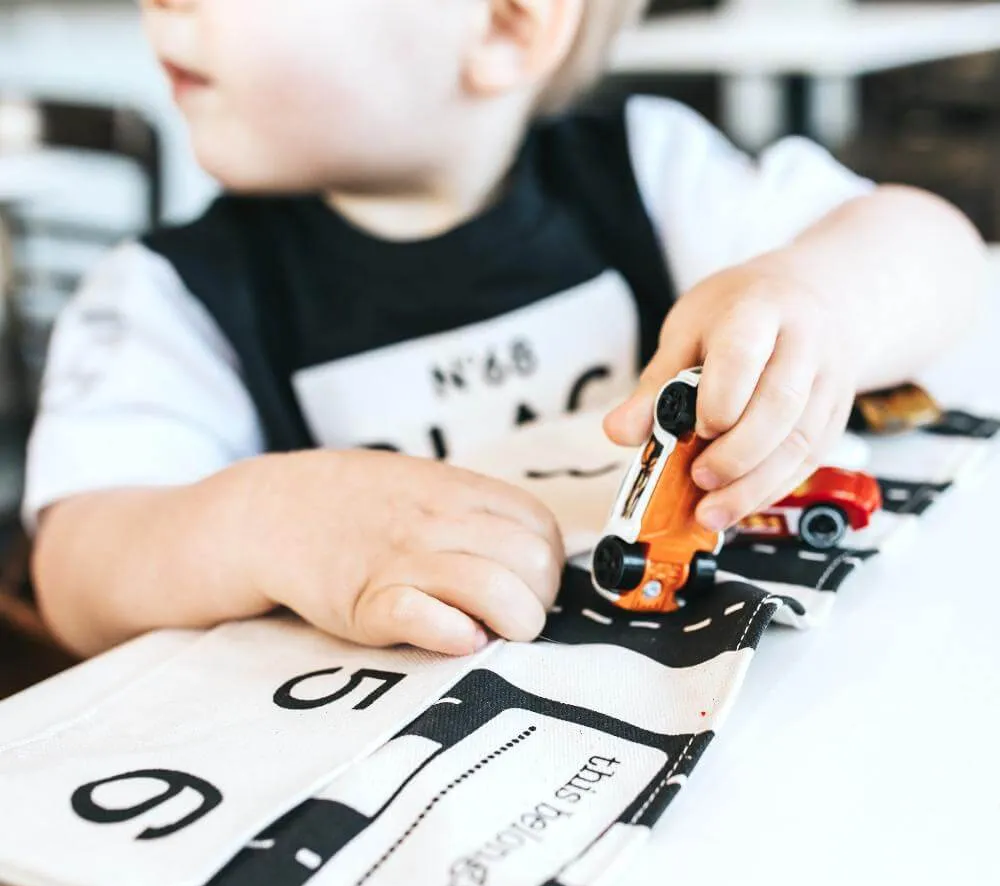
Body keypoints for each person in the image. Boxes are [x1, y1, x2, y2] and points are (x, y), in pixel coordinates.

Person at [24, 0, 987, 660]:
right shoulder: (164, 295)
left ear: (505, 20)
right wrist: (258, 524)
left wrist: (816, 301)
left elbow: (937, 246)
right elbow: (74, 571)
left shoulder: (650, 169)